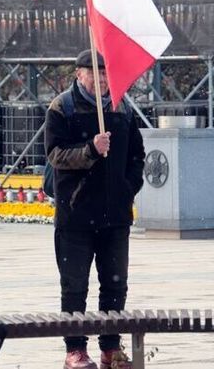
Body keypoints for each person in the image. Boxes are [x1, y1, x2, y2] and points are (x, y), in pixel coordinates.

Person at [43, 49, 145, 369]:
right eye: (94, 72)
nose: (101, 78)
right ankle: (75, 348)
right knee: (74, 286)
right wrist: (90, 150)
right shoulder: (62, 107)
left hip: (115, 216)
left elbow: (136, 156)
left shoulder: (122, 107)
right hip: (75, 214)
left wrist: (128, 189)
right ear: (79, 75)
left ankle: (111, 346)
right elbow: (55, 155)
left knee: (115, 283)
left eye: (105, 72)